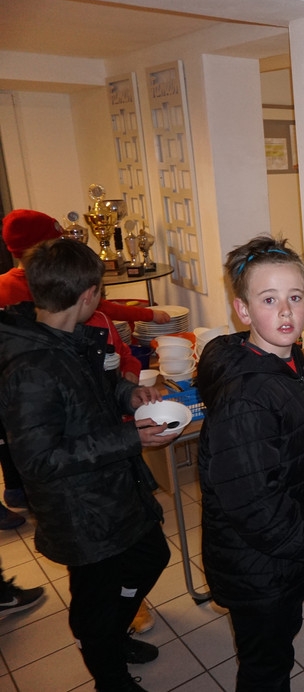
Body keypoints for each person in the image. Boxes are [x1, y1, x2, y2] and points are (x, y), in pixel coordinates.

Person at [0, 237, 176, 692]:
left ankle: (112, 637)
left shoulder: (69, 338)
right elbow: (38, 460)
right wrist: (130, 437)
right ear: (88, 295)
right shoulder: (30, 368)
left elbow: (98, 388)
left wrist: (129, 394)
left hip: (111, 488)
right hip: (78, 511)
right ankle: (110, 677)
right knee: (94, 600)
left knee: (151, 556)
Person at [196, 235, 304, 692]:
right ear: (243, 311)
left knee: (280, 643)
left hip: (284, 555)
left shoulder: (290, 360)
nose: (286, 311)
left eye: (295, 297)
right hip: (256, 567)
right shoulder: (247, 400)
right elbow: (257, 510)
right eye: (269, 300)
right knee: (265, 668)